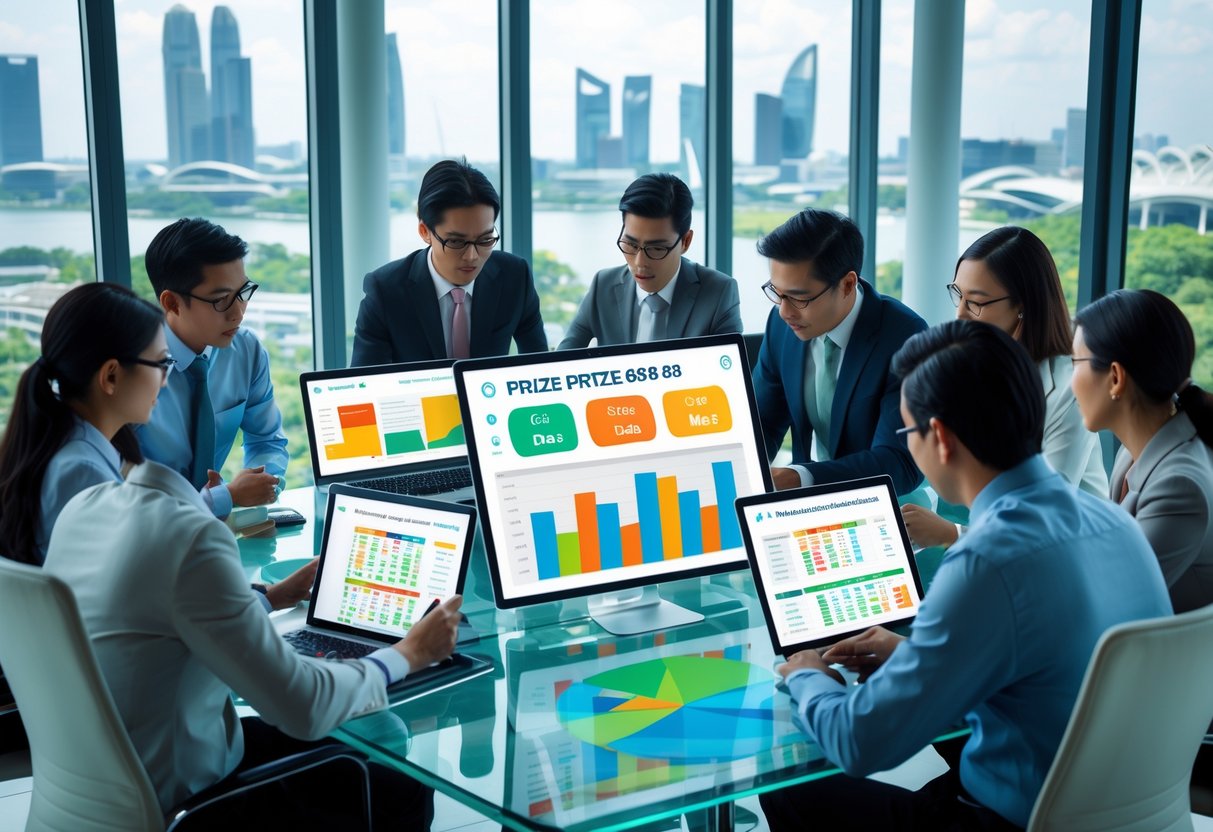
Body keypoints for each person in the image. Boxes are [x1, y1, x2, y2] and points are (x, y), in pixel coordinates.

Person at [758, 320, 1171, 831]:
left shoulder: (984, 562)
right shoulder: (1113, 521)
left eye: (906, 432)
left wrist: (807, 677)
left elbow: (858, 744)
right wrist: (913, 657)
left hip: (1009, 820)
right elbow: (1044, 667)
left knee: (788, 786)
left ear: (941, 439)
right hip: (1115, 813)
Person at [43, 458, 463, 829]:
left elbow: (167, 614)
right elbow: (306, 708)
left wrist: (271, 598)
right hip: (192, 805)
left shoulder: (82, 509)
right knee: (405, 783)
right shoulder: (191, 536)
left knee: (359, 737)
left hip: (108, 787)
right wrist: (408, 654)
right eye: (163, 364)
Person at [900, 226, 1108, 549]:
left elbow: (1043, 514)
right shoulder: (976, 362)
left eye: (976, 303)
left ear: (1022, 306)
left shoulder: (1070, 388)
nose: (959, 314)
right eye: (958, 295)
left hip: (1063, 548)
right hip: (991, 527)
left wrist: (951, 534)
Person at [751, 208, 926, 495]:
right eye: (776, 292)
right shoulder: (781, 324)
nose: (784, 311)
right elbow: (763, 424)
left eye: (799, 297)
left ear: (847, 284)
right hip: (808, 503)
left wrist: (799, 479)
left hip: (889, 506)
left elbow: (900, 463)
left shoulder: (907, 338)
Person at [0, 283, 168, 565]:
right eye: (162, 362)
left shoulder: (65, 446)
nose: (165, 379)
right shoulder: (83, 474)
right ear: (111, 376)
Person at [1072, 289, 1213, 613]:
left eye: (1075, 362)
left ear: (1116, 378)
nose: (1071, 382)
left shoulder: (1180, 487)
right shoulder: (1136, 452)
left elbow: (1103, 597)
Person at [137, 217, 287, 519]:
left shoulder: (245, 350)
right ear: (173, 303)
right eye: (221, 300)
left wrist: (265, 480)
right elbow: (117, 495)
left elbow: (268, 439)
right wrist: (226, 496)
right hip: (147, 535)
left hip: (214, 533)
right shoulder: (133, 369)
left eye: (243, 293)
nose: (238, 313)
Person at [352, 159, 548, 365]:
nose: (472, 256)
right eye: (456, 241)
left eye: (485, 240)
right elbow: (366, 381)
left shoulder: (515, 276)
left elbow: (539, 364)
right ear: (424, 231)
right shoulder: (385, 290)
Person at [557, 173, 741, 349]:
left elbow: (729, 375)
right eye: (630, 244)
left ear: (685, 241)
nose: (640, 262)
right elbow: (561, 361)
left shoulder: (719, 293)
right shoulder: (603, 285)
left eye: (656, 249)